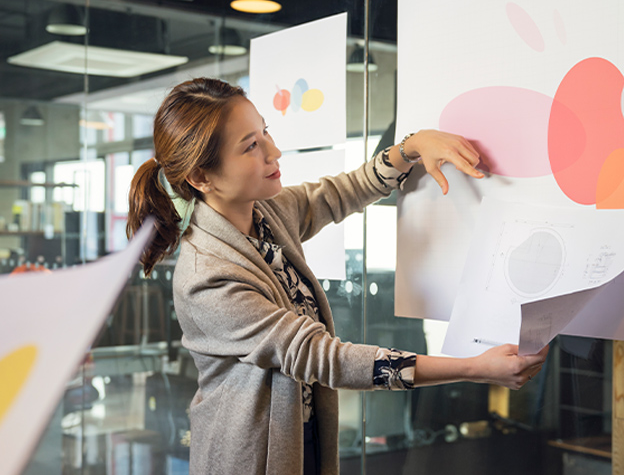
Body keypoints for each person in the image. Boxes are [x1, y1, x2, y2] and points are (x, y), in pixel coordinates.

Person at [127, 77, 548, 475]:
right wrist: (473, 368)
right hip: (250, 456)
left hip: (302, 434)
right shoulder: (206, 277)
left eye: (266, 132)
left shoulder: (266, 213)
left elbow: (337, 193)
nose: (274, 153)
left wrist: (412, 148)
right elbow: (323, 358)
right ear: (201, 177)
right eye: (251, 146)